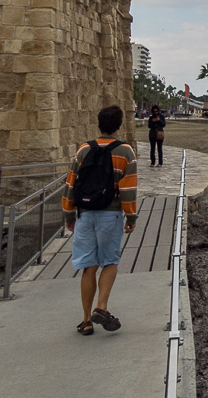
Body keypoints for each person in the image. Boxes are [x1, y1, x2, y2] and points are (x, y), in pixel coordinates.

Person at [61, 105, 137, 336]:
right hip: (110, 214)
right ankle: (101, 307)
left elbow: (70, 183)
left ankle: (86, 321)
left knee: (88, 267)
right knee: (109, 262)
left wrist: (68, 214)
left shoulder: (83, 150)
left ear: (99, 124)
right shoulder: (125, 152)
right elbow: (129, 188)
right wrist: (131, 216)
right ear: (119, 125)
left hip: (85, 214)